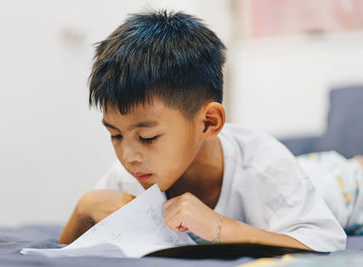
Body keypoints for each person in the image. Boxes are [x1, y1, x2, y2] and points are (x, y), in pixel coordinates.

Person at [59, 10, 346, 252]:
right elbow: (67, 249)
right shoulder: (131, 172)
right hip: (300, 172)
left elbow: (326, 242)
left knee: (343, 172)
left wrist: (218, 227)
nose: (129, 155)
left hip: (337, 186)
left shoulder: (264, 168)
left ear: (208, 122)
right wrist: (82, 209)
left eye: (148, 138)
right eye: (115, 135)